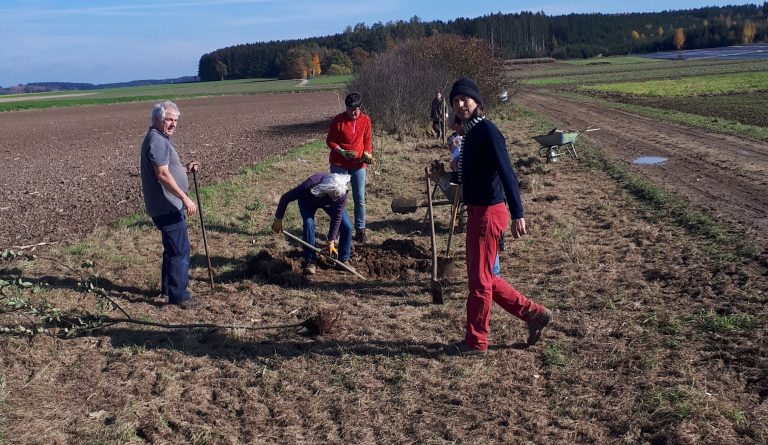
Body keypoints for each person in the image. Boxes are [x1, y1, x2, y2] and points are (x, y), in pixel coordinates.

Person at [445, 77, 552, 356]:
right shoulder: (470, 134)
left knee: (480, 281)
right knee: (486, 277)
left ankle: (476, 342)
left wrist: (518, 213)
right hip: (477, 211)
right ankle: (533, 314)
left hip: (489, 213)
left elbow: (507, 172)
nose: (460, 104)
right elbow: (469, 176)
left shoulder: (488, 132)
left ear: (477, 101)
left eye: (465, 99)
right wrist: (452, 172)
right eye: (456, 101)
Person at [140, 100, 200, 309]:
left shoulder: (159, 138)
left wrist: (185, 169)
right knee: (179, 251)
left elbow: (168, 170)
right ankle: (179, 296)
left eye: (175, 120)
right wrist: (185, 198)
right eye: (169, 119)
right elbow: (162, 175)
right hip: (167, 206)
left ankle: (167, 289)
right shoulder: (157, 141)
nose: (173, 124)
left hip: (166, 205)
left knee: (172, 249)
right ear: (158, 119)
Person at [271, 173, 354, 275]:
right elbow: (285, 198)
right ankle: (310, 261)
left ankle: (343, 260)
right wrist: (278, 219)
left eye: (338, 196)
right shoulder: (309, 185)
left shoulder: (341, 192)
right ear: (326, 189)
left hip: (329, 204)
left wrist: (331, 241)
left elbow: (337, 216)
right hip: (308, 201)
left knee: (346, 226)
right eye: (333, 195)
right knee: (308, 224)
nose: (335, 199)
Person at [326, 92, 373, 244]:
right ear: (346, 108)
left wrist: (367, 153)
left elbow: (367, 140)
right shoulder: (338, 121)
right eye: (351, 109)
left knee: (359, 198)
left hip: (358, 164)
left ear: (360, 108)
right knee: (339, 197)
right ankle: (339, 229)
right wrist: (341, 151)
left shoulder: (365, 120)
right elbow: (330, 141)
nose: (354, 112)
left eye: (357, 109)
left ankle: (360, 230)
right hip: (339, 164)